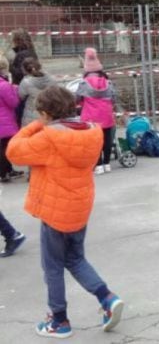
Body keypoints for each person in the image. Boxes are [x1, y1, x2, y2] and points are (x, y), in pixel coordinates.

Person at [7, 85, 124, 338]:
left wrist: (37, 125)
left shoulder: (49, 137)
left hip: (55, 211)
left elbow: (13, 150)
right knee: (75, 259)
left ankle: (59, 321)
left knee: (53, 267)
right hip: (79, 207)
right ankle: (107, 298)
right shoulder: (91, 131)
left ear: (46, 114)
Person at [75, 48, 117, 174]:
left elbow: (77, 99)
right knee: (107, 140)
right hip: (106, 116)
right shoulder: (107, 82)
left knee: (94, 141)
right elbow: (113, 98)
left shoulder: (83, 83)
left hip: (90, 117)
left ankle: (98, 165)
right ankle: (107, 163)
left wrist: (80, 103)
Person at [0, 55, 23, 183]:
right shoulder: (4, 85)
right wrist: (14, 90)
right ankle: (4, 172)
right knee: (5, 148)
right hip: (5, 122)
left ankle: (8, 170)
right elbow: (13, 103)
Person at [19, 57, 57, 127]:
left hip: (31, 114)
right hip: (48, 114)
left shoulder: (25, 82)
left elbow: (21, 96)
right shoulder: (51, 79)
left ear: (24, 70)